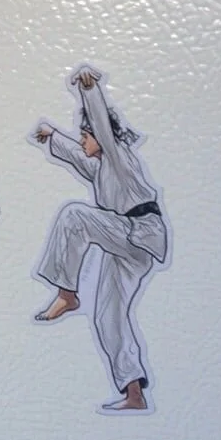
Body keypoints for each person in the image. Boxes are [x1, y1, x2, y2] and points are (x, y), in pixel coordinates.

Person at [31, 65, 169, 413]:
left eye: (86, 135)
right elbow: (78, 157)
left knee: (74, 216)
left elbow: (103, 127)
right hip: (129, 247)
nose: (83, 140)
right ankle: (134, 393)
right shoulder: (101, 169)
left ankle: (67, 294)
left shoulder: (119, 157)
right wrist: (51, 136)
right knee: (109, 317)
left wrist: (89, 90)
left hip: (138, 231)